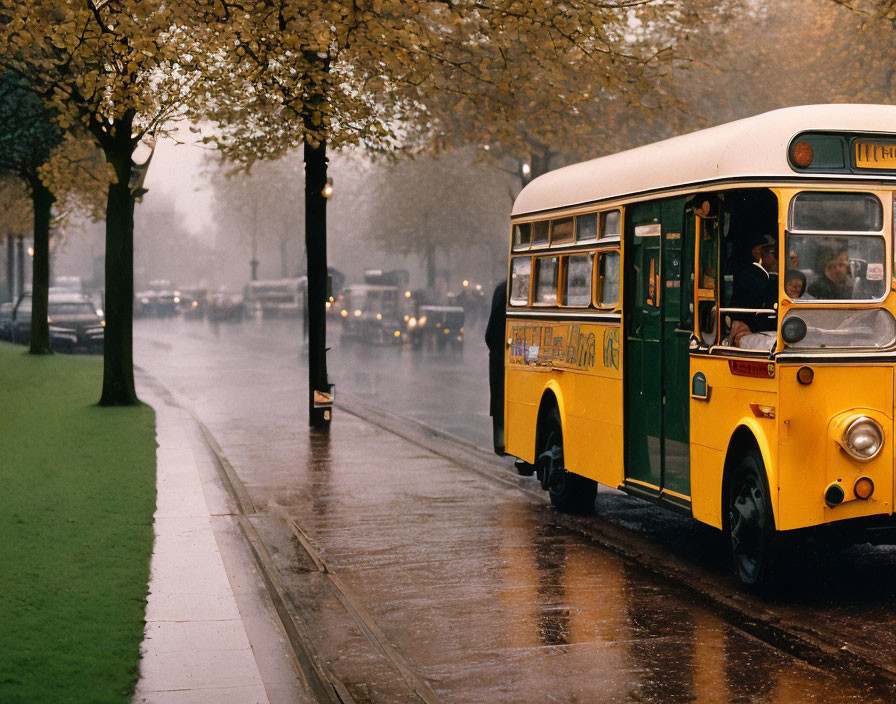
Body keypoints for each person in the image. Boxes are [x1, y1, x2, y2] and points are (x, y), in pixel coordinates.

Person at [729, 233, 779, 347]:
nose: (777, 257)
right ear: (758, 253)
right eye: (773, 253)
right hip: (752, 333)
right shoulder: (750, 276)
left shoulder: (765, 276)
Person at [485, 280, 507, 455]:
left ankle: (501, 442)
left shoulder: (502, 289)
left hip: (502, 356)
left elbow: (491, 334)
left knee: (501, 400)